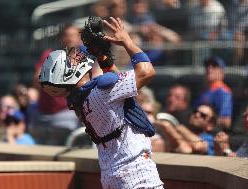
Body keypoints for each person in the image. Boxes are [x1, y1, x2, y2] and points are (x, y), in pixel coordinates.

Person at [39, 17, 164, 189]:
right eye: (71, 60)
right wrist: (127, 41)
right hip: (136, 174)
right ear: (69, 74)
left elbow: (120, 91)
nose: (77, 55)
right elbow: (147, 72)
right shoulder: (102, 90)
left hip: (113, 175)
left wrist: (102, 55)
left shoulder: (78, 101)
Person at [194, 56, 233, 129]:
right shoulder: (203, 91)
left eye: (214, 66)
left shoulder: (223, 92)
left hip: (212, 133)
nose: (209, 68)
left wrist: (205, 122)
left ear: (221, 72)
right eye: (207, 65)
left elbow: (226, 121)